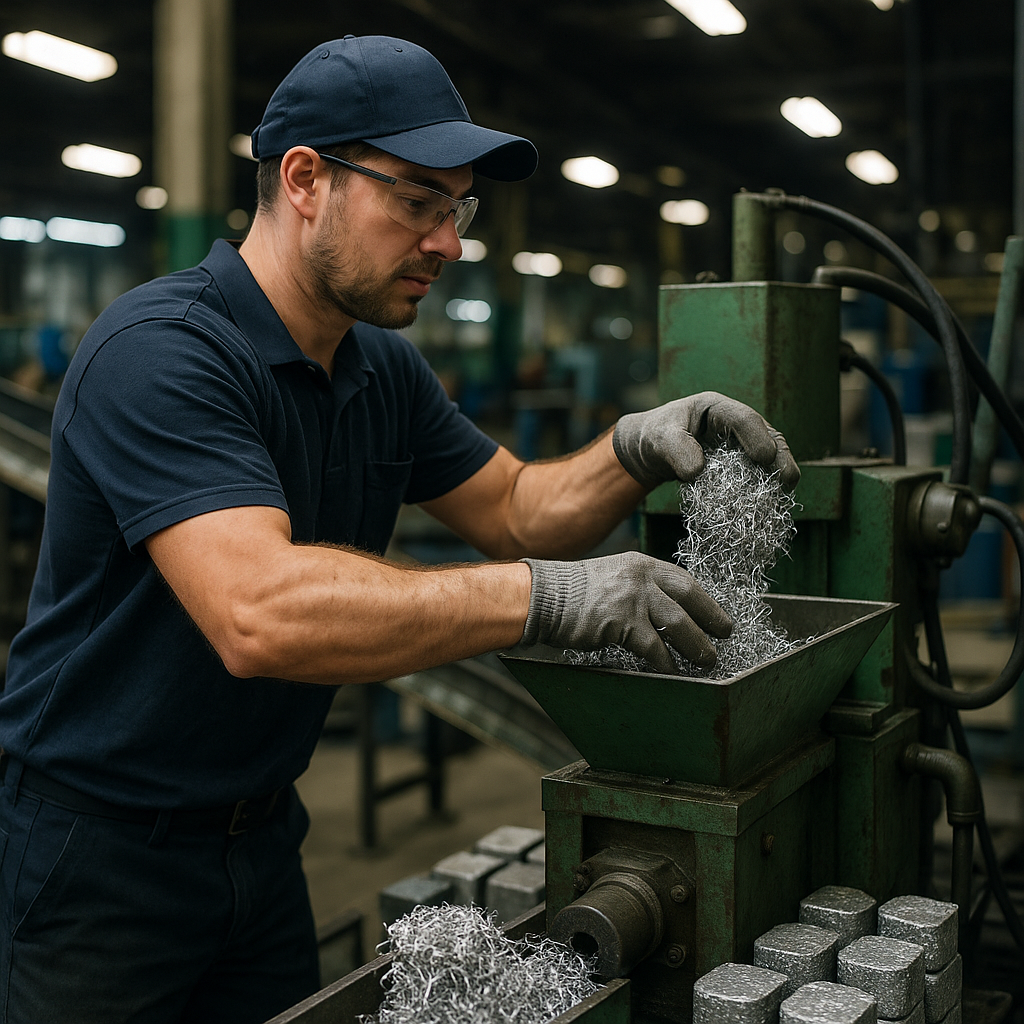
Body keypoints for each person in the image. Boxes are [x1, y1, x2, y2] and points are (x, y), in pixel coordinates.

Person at [0, 34, 798, 1024]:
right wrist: (547, 600)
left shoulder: (378, 367)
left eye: (456, 209)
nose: (448, 242)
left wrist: (631, 448)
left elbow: (513, 510)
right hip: (103, 862)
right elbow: (258, 612)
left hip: (259, 841)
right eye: (416, 202)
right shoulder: (162, 353)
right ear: (303, 179)